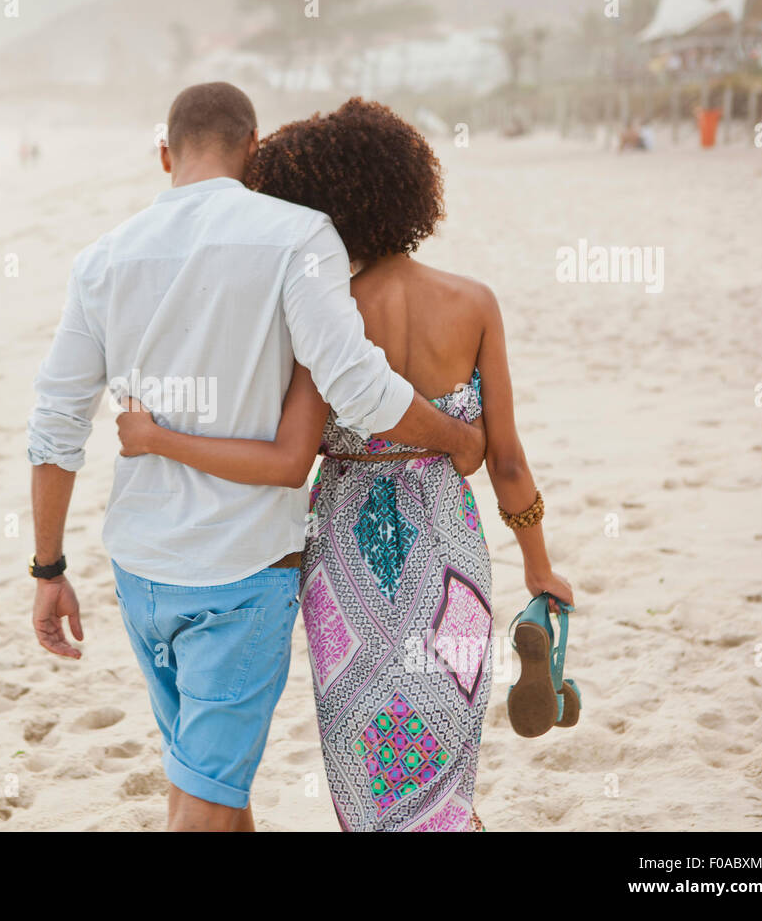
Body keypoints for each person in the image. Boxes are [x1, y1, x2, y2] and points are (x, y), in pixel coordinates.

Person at [26, 84, 486, 832]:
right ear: (252, 148)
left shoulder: (101, 262)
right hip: (240, 574)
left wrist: (47, 568)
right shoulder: (300, 237)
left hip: (139, 570)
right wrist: (458, 437)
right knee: (203, 803)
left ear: (166, 153)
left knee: (209, 786)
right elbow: (357, 385)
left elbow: (55, 424)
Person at [115, 98, 574, 831]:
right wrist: (539, 566)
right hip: (447, 549)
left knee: (369, 761)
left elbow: (288, 452)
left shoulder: (323, 315)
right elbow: (508, 460)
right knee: (445, 761)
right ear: (408, 191)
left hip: (346, 559)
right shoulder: (474, 303)